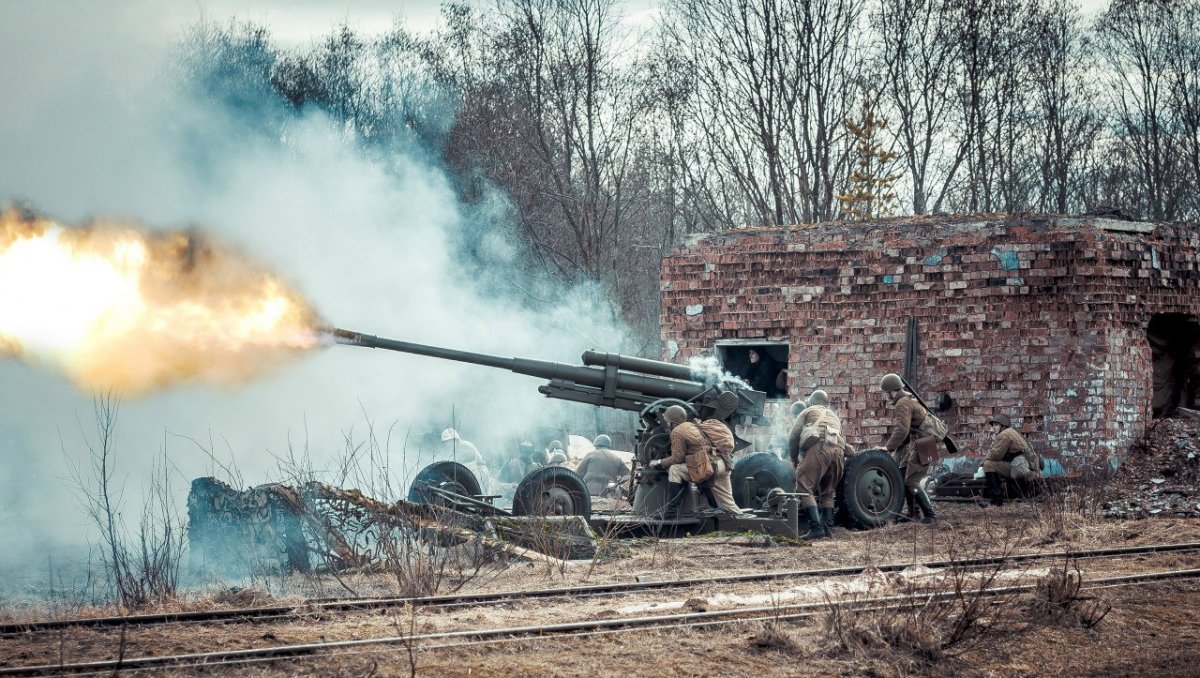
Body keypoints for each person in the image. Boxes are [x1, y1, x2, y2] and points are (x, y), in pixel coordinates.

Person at [649, 405, 742, 517]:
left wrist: (659, 462)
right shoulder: (692, 425)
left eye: (667, 421)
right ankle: (743, 524)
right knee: (729, 505)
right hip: (723, 463)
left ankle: (671, 512)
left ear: (673, 422)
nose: (667, 424)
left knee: (675, 470)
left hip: (709, 467)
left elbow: (677, 458)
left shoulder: (677, 432)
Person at [787, 389, 846, 539]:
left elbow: (793, 436)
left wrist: (794, 459)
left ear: (811, 402)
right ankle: (827, 528)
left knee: (804, 486)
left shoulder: (808, 411)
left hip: (820, 448)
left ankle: (816, 528)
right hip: (838, 451)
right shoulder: (834, 417)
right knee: (828, 491)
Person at [880, 374, 938, 524]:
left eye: (886, 393)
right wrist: (895, 448)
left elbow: (902, 430)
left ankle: (930, 515)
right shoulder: (906, 401)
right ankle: (913, 514)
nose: (886, 397)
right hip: (921, 441)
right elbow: (907, 432)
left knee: (912, 481)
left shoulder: (902, 403)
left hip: (924, 442)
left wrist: (888, 448)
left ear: (892, 391)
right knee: (902, 473)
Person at [982, 414, 1039, 506]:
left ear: (1003, 426)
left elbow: (996, 455)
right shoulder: (1011, 432)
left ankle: (997, 499)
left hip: (1021, 467)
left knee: (988, 464)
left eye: (996, 425)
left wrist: (984, 460)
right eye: (993, 425)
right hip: (1025, 465)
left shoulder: (1004, 435)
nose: (993, 428)